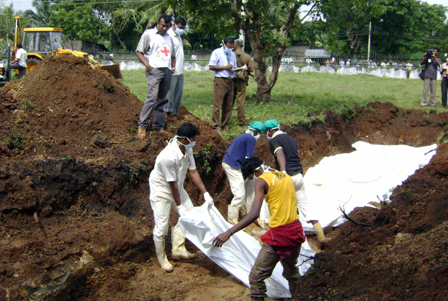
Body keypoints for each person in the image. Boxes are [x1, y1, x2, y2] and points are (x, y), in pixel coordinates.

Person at [213, 157, 306, 300]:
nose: (254, 178)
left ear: (255, 171)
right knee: (292, 273)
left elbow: (254, 213)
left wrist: (229, 232)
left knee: (256, 277)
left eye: (253, 176)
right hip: (295, 232)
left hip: (279, 236)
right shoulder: (285, 177)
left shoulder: (262, 181)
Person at [149, 122, 214, 272]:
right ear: (184, 138)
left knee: (189, 214)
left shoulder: (186, 148)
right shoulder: (167, 157)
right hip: (162, 190)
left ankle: (178, 249)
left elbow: (193, 172)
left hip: (177, 187)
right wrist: (179, 207)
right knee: (161, 227)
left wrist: (205, 192)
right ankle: (162, 258)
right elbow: (171, 186)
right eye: (193, 138)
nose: (195, 141)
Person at [263, 119, 325, 242]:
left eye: (267, 133)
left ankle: (268, 230)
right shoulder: (291, 139)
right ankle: (320, 234)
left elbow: (280, 153)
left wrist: (283, 171)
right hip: (298, 175)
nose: (267, 135)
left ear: (270, 131)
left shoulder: (275, 140)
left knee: (271, 199)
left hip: (288, 176)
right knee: (305, 204)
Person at [135, 14, 176, 138]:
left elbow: (173, 55)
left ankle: (158, 126)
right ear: (158, 23)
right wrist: (147, 66)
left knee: (163, 99)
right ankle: (142, 125)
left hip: (167, 70)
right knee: (152, 97)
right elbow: (139, 51)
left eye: (167, 27)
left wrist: (172, 67)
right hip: (154, 70)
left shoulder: (169, 38)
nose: (164, 28)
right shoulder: (149, 34)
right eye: (163, 26)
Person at [222, 121, 265, 224]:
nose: (260, 135)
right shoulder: (251, 139)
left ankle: (243, 212)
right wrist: (251, 173)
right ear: (254, 131)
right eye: (259, 132)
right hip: (233, 166)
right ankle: (232, 221)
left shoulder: (243, 136)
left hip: (230, 162)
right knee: (239, 194)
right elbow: (248, 159)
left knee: (243, 187)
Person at [209, 37, 237, 134]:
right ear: (224, 44)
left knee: (229, 104)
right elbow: (211, 66)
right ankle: (215, 125)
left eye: (231, 47)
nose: (230, 49)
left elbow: (234, 67)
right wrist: (225, 67)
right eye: (228, 47)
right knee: (218, 104)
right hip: (220, 80)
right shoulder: (217, 52)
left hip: (230, 80)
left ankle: (225, 124)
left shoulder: (232, 54)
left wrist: (238, 70)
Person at [164, 16, 187, 117]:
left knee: (178, 93)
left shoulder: (178, 36)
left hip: (180, 70)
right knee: (170, 93)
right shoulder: (169, 36)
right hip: (172, 70)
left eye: (183, 28)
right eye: (180, 27)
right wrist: (171, 67)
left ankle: (175, 113)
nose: (181, 30)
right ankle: (167, 112)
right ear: (174, 25)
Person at [233, 39, 254, 126]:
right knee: (240, 101)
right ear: (242, 46)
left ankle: (224, 121)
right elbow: (251, 69)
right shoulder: (247, 56)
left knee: (229, 100)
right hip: (241, 81)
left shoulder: (231, 55)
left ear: (234, 46)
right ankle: (241, 121)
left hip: (231, 80)